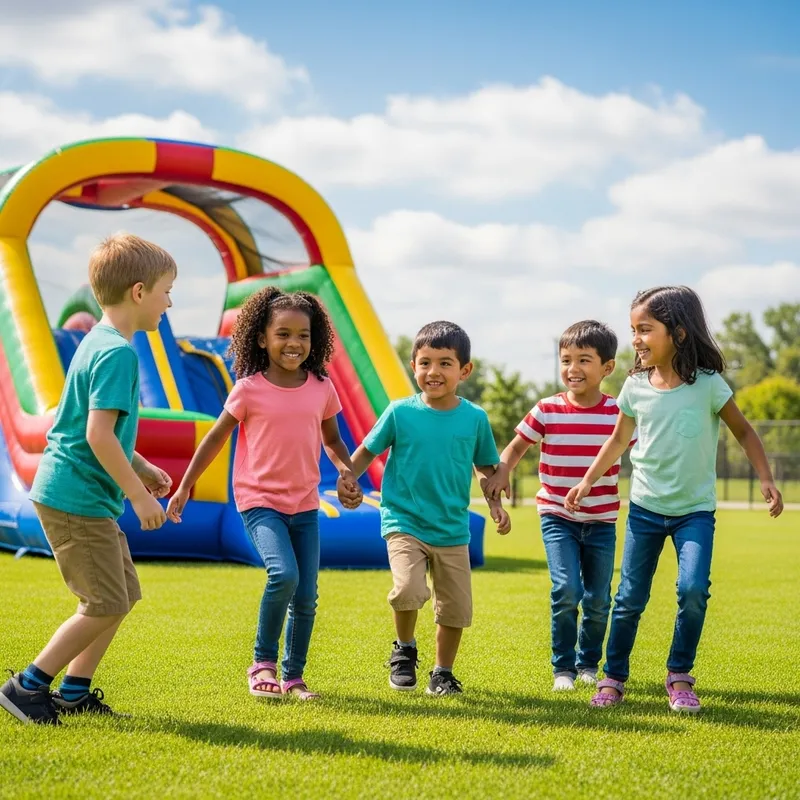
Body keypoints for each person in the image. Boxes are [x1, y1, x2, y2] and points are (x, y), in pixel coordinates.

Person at [565, 286, 784, 713]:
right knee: (629, 599)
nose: (637, 340)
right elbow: (617, 441)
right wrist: (587, 481)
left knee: (693, 589)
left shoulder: (708, 386)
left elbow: (744, 432)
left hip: (694, 513)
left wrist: (766, 477)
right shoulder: (634, 387)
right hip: (645, 509)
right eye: (633, 330)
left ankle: (679, 674)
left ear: (679, 333)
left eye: (645, 329)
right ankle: (613, 677)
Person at [0, 233, 176, 725]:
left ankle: (74, 691)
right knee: (101, 602)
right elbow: (98, 436)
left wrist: (139, 466)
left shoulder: (95, 343)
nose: (169, 302)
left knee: (120, 595)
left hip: (79, 495)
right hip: (76, 497)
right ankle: (26, 686)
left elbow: (93, 429)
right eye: (166, 291)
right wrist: (138, 495)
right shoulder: (118, 354)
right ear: (139, 293)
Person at [167, 287, 362, 701]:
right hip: (259, 501)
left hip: (305, 503)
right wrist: (186, 485)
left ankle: (293, 678)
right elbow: (215, 440)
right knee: (284, 575)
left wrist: (347, 472)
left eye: (303, 336)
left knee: (307, 596)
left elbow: (333, 441)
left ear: (315, 340)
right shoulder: (248, 388)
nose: (294, 344)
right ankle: (262, 663)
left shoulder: (322, 387)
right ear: (262, 338)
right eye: (284, 334)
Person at [350, 321, 511, 697]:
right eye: (425, 363)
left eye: (444, 363)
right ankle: (404, 650)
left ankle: (442, 673)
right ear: (413, 365)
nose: (433, 372)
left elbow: (487, 468)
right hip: (403, 519)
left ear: (464, 370)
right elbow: (367, 452)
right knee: (407, 588)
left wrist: (495, 504)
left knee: (455, 608)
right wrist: (348, 478)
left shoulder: (475, 418)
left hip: (453, 528)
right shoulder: (399, 412)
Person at [485, 320, 635, 691]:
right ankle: (563, 669)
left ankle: (588, 664)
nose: (573, 368)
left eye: (584, 360)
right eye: (566, 360)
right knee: (567, 589)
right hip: (557, 515)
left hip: (601, 519)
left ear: (607, 367)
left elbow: (642, 450)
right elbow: (518, 446)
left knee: (599, 598)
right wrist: (503, 471)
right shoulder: (547, 409)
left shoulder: (619, 412)